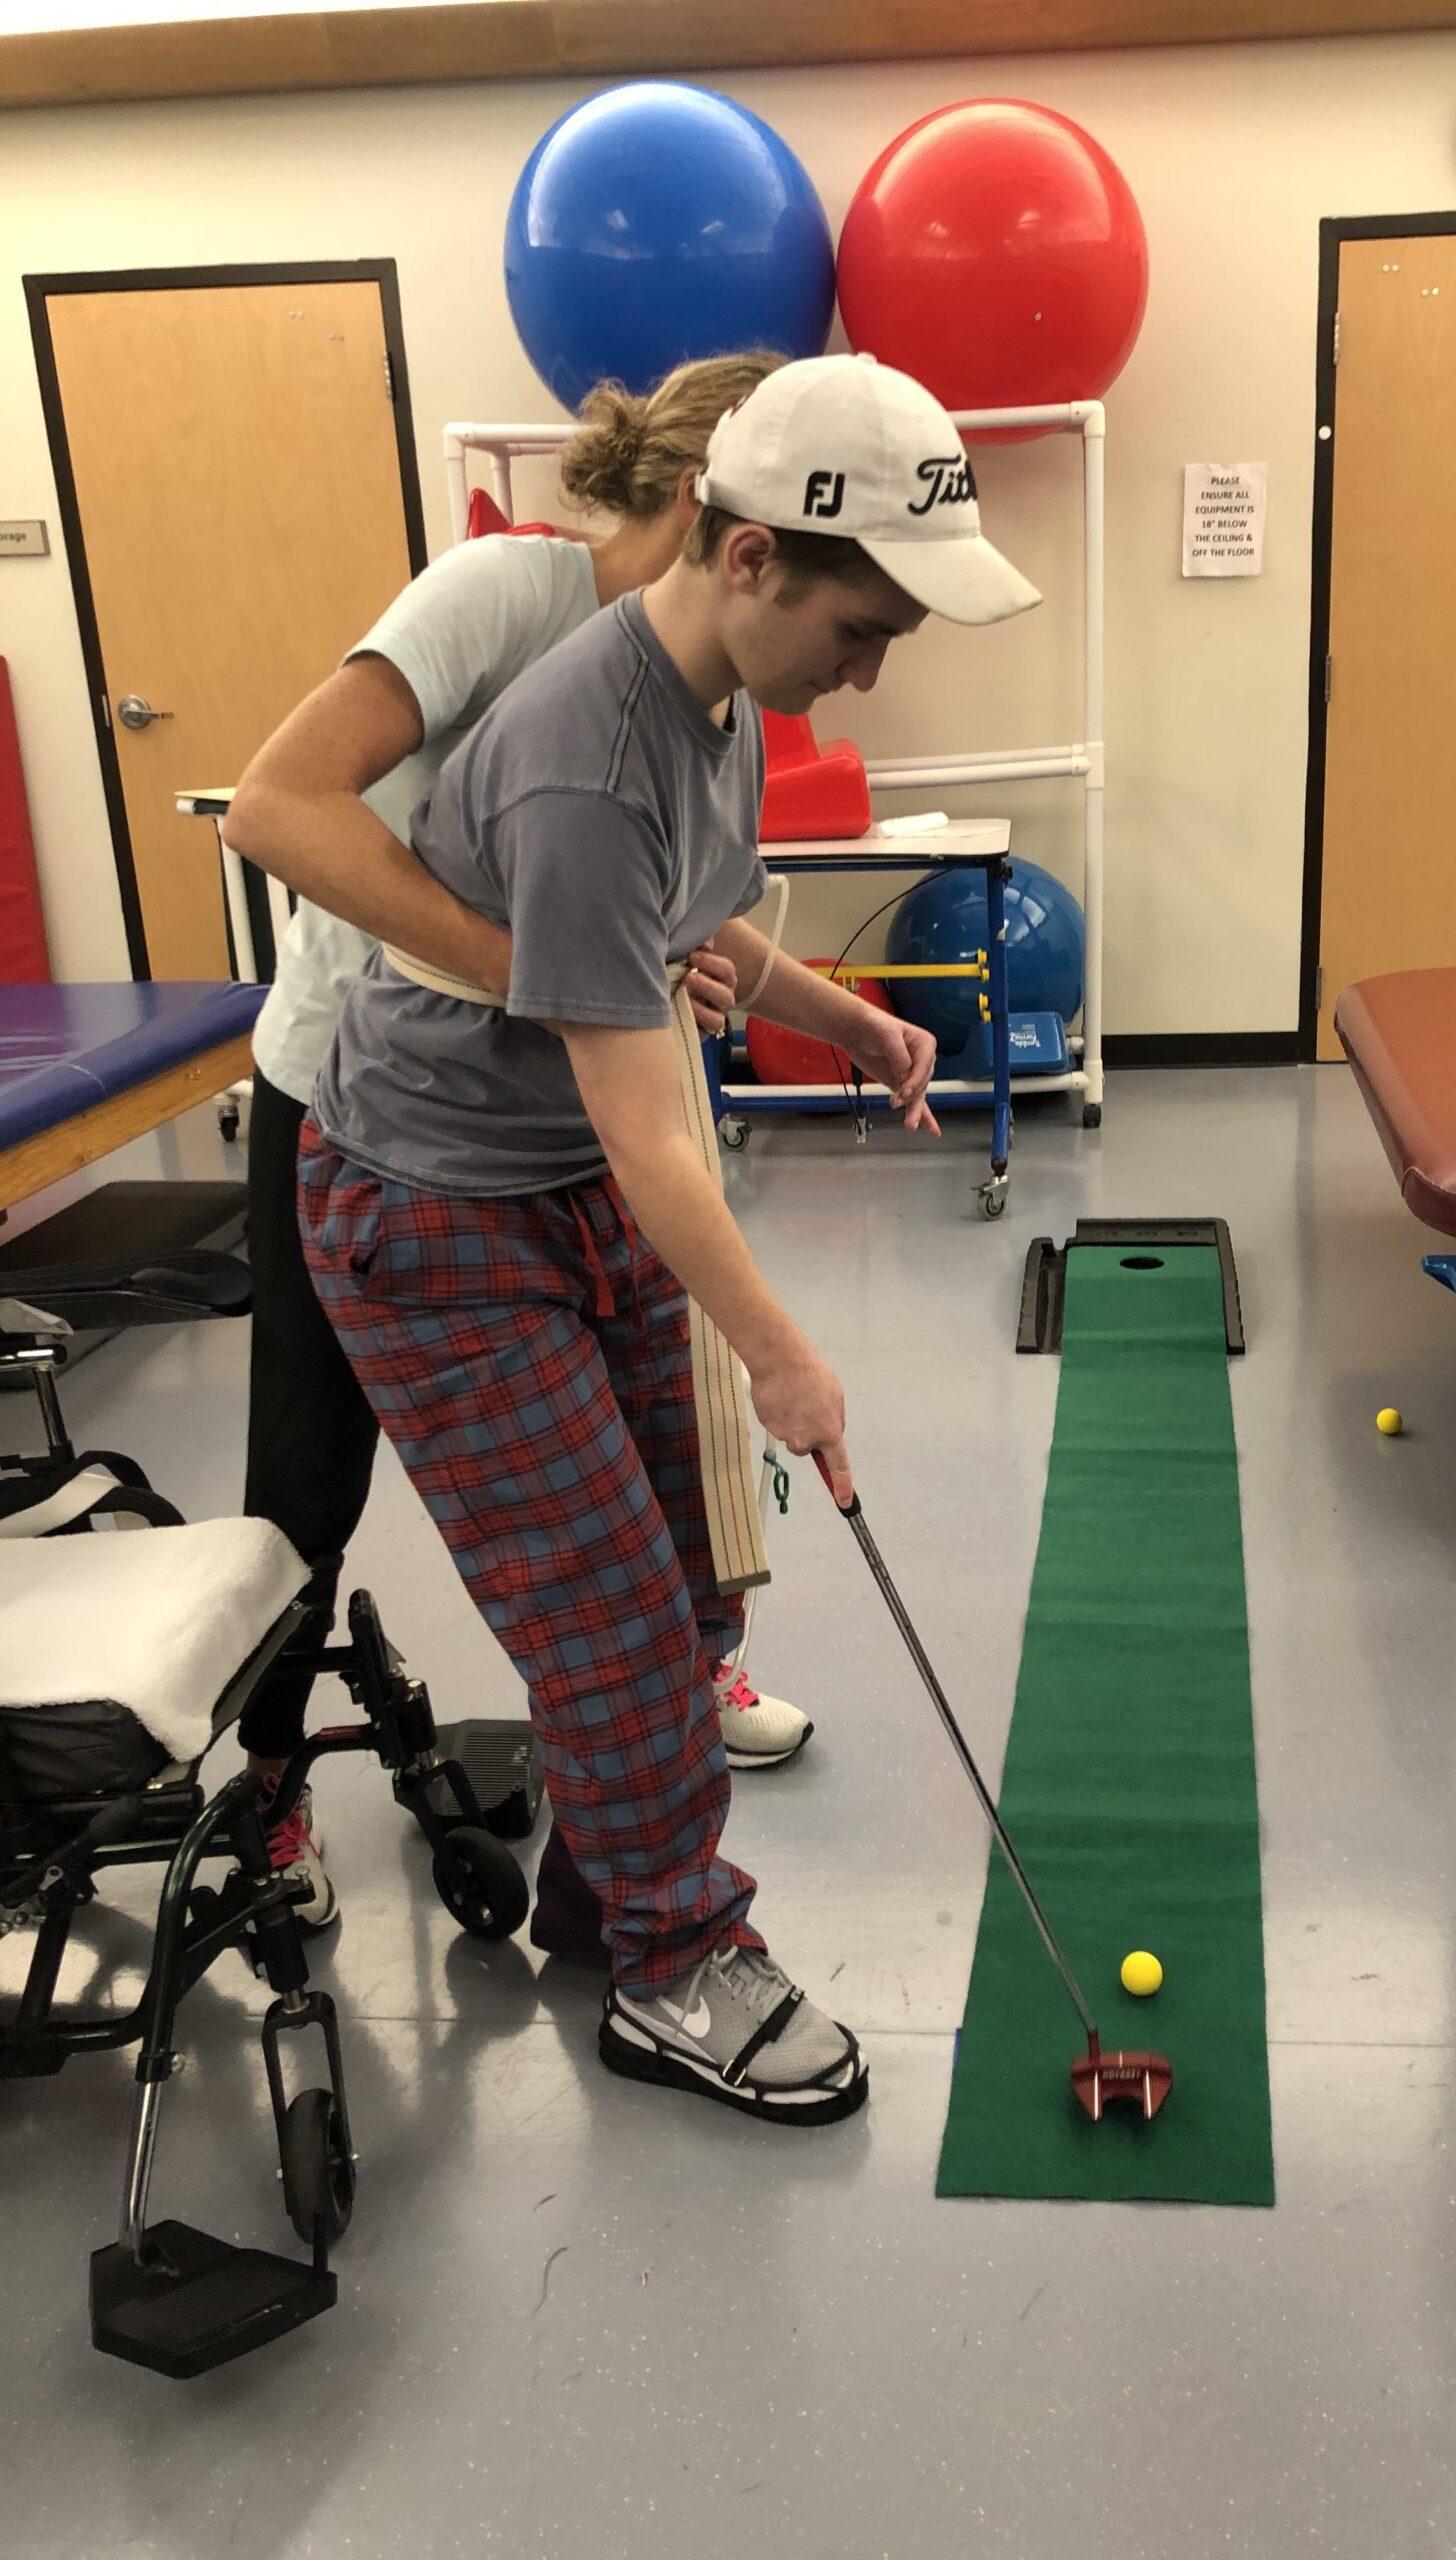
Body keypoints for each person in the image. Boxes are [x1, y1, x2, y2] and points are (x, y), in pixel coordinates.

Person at [227, 353, 1038, 2123]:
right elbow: (650, 1122)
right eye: (864, 622)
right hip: (431, 1215)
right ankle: (677, 1963)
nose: (873, 666)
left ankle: (610, 1901)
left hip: (558, 1184)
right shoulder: (585, 749)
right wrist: (790, 1356)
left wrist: (852, 1018)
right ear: (747, 559)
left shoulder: (720, 704)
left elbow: (703, 937)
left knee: (678, 1580)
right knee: (601, 1620)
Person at [232, 353, 822, 1941]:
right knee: (302, 1493)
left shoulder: (699, 687)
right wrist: (539, 967)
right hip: (361, 1098)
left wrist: (827, 1014)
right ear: (716, 513)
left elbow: (677, 914)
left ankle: (647, 1728)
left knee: (649, 1501)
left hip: (552, 1118)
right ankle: (269, 1786)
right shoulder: (509, 597)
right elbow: (277, 808)